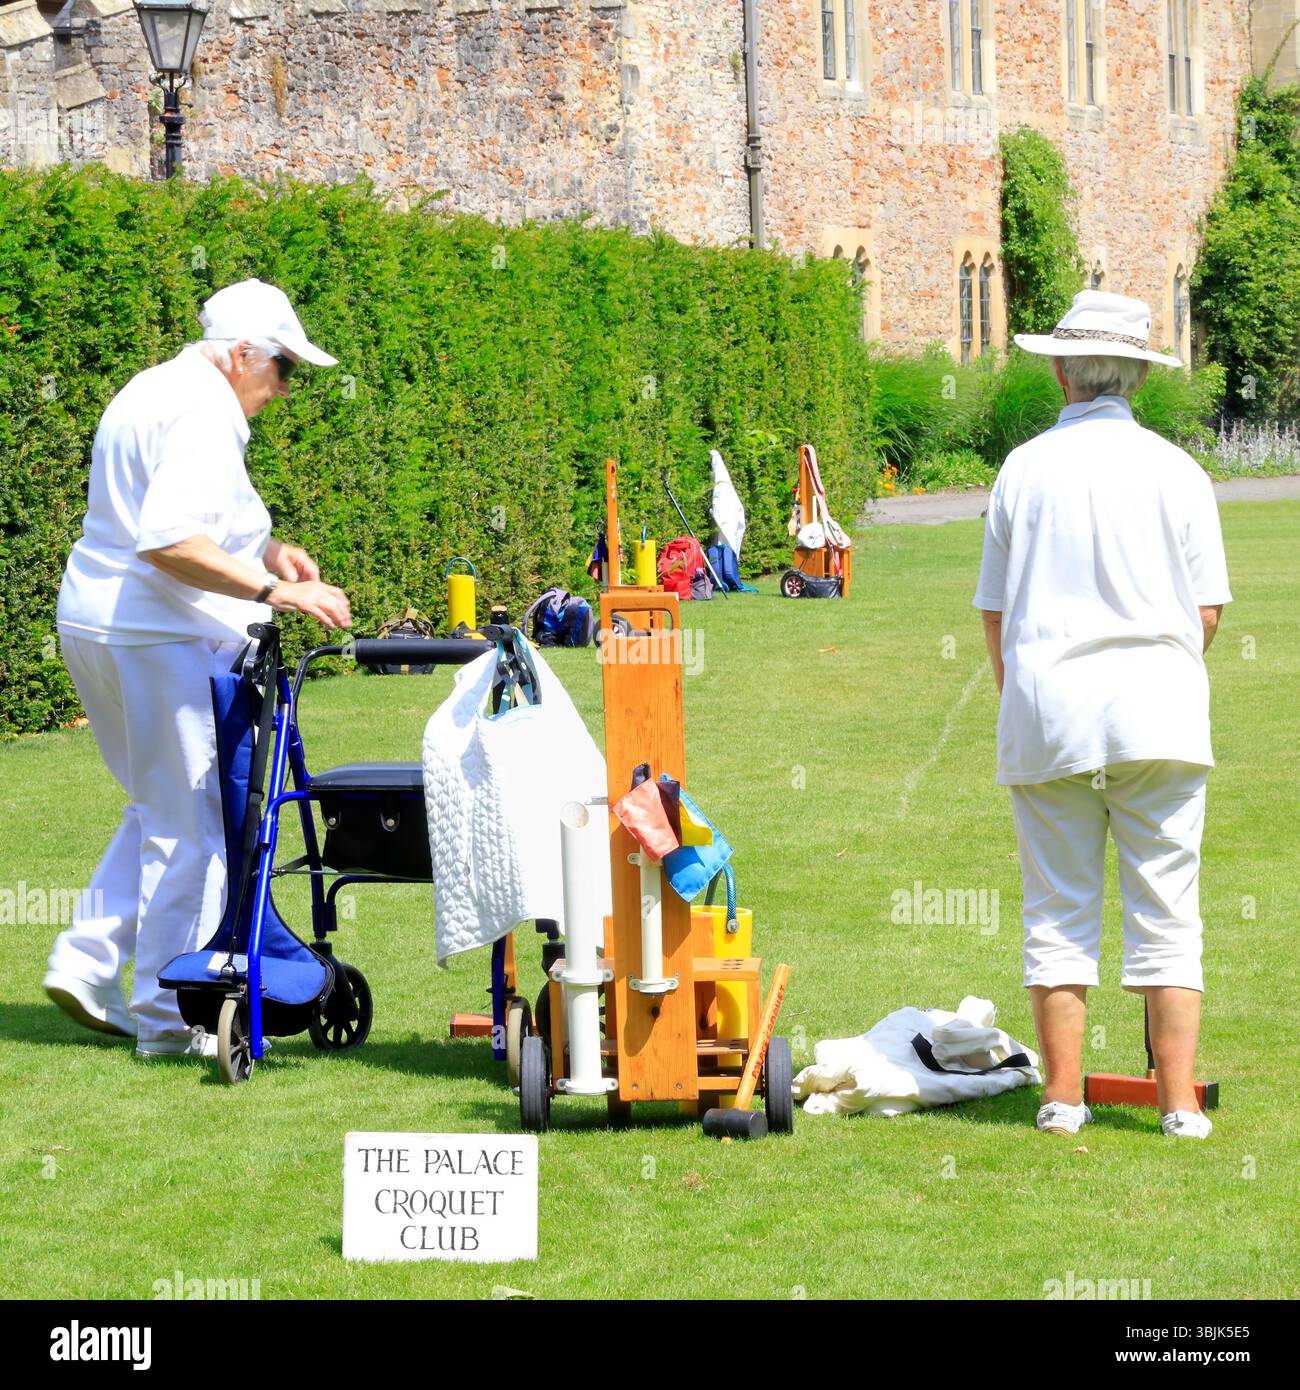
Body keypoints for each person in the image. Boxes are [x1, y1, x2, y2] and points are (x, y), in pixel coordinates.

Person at [44, 279, 353, 1058]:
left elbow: (210, 522)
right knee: (194, 825)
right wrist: (277, 589)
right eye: (282, 368)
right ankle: (168, 1018)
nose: (284, 388)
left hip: (100, 621)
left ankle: (85, 961)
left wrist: (269, 549)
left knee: (162, 808)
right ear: (241, 353)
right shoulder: (204, 412)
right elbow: (169, 541)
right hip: (154, 634)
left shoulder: (157, 387)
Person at [973, 290, 1231, 1140]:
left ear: (1060, 370)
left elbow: (997, 616)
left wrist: (1029, 689)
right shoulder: (1178, 470)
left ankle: (1061, 1099)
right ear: (1140, 382)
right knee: (1169, 904)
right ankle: (1179, 1106)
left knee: (1057, 905)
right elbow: (1205, 611)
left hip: (1050, 703)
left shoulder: (1022, 468)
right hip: (1159, 705)